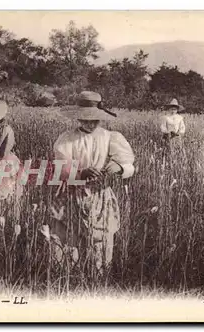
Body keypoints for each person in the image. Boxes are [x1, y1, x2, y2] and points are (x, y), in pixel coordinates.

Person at [51, 91, 135, 276]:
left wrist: (119, 167)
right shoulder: (67, 139)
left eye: (94, 120)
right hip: (72, 193)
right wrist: (81, 173)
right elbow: (60, 168)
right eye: (85, 120)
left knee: (101, 238)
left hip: (100, 194)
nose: (89, 123)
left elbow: (129, 163)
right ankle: (68, 276)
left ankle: (98, 276)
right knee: (69, 237)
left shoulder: (109, 137)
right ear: (78, 118)